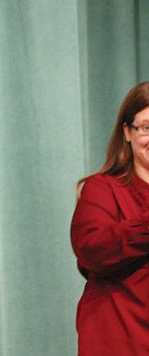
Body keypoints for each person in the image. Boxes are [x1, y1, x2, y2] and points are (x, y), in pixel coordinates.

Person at [71, 81, 149, 356]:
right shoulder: (102, 188)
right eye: (147, 127)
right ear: (127, 132)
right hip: (117, 337)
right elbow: (92, 249)